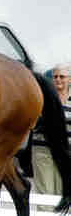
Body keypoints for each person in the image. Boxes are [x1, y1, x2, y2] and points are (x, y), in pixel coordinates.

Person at [32, 63, 71, 195]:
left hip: (67, 153)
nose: (58, 80)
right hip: (43, 151)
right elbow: (33, 123)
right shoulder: (42, 97)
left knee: (64, 194)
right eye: (55, 77)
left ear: (69, 79)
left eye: (62, 76)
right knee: (45, 193)